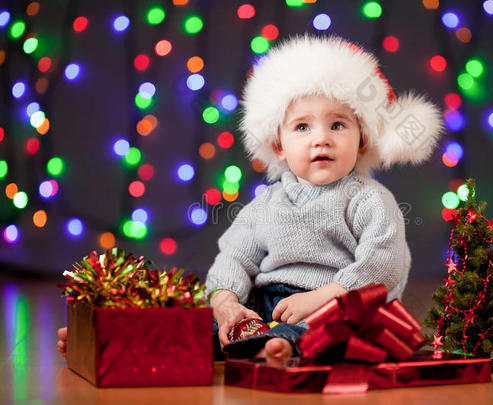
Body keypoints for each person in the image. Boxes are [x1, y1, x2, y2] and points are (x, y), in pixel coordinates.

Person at [58, 35, 442, 362]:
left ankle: (278, 348)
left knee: (321, 334)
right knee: (200, 327)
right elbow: (235, 257)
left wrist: (326, 296)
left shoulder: (369, 200)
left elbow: (383, 264)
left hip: (335, 305)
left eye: (338, 124)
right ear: (278, 144)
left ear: (362, 141)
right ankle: (114, 343)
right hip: (262, 305)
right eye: (302, 126)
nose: (321, 138)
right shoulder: (266, 206)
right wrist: (227, 303)